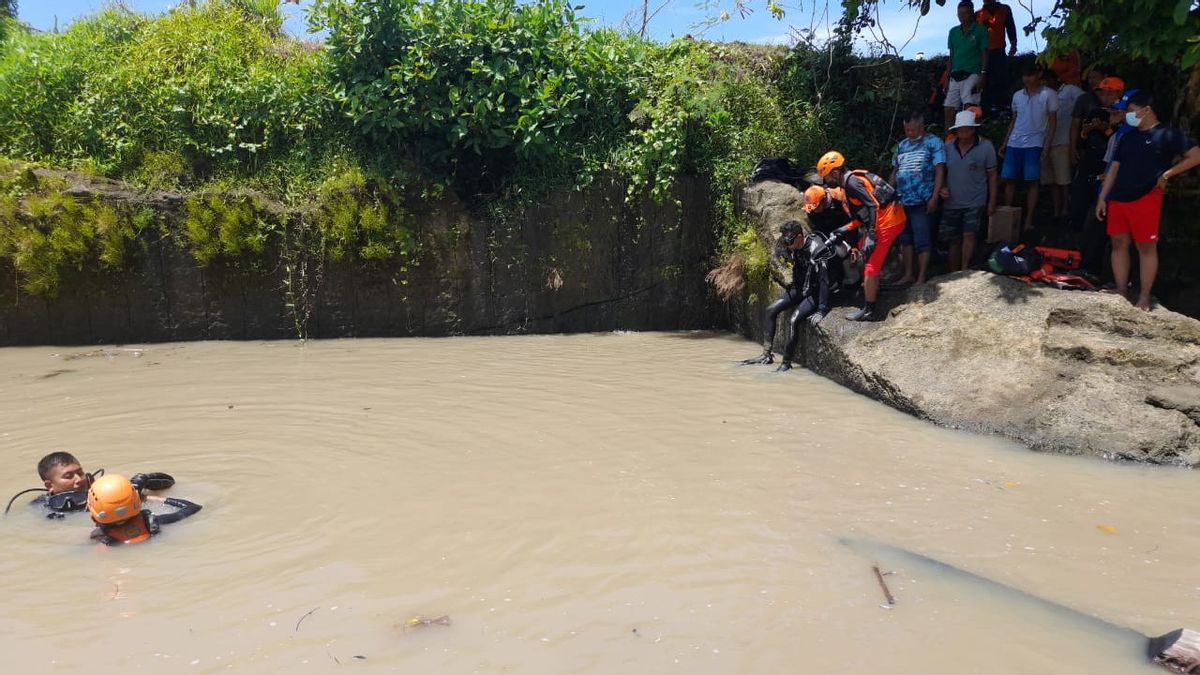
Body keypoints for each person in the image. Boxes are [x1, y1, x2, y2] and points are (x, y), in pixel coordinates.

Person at [1096, 91, 1200, 311]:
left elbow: (1196, 155)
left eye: (1131, 111)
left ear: (1147, 110)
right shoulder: (1126, 137)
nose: (1127, 116)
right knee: (1118, 244)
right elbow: (1114, 168)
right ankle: (1122, 289)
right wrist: (1102, 197)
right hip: (1118, 197)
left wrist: (1167, 174)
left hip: (1146, 197)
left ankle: (1144, 297)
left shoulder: (1167, 134)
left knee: (1146, 247)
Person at [740, 216, 852, 371]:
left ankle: (786, 363)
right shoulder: (791, 245)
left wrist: (822, 308)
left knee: (793, 321)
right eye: (786, 241)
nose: (788, 245)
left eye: (790, 241)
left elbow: (824, 281)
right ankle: (766, 355)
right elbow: (786, 257)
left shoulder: (817, 249)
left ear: (800, 236)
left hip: (816, 290)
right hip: (801, 287)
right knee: (771, 310)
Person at [818, 151, 907, 322]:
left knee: (870, 267)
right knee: (862, 248)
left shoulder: (851, 183)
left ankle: (870, 310)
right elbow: (864, 215)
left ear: (836, 173)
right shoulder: (852, 180)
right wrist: (844, 229)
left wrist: (872, 236)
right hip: (889, 219)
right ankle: (874, 288)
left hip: (889, 222)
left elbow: (873, 206)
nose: (826, 182)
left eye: (827, 177)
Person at [1000, 62, 1057, 232]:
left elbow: (1053, 122)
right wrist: (1005, 142)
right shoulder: (1018, 95)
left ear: (1039, 75)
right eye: (1025, 75)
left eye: (1031, 75)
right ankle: (1006, 217)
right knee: (1009, 180)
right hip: (1015, 142)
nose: (1027, 79)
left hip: (1035, 142)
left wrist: (1047, 147)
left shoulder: (1049, 94)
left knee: (1032, 182)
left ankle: (1029, 220)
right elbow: (1014, 119)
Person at [892, 111, 946, 285]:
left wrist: (935, 197)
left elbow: (939, 171)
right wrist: (887, 192)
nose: (910, 133)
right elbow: (895, 171)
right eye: (907, 130)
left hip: (922, 201)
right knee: (905, 239)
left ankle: (921, 276)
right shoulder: (902, 145)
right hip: (902, 201)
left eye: (913, 130)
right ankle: (909, 274)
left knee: (923, 239)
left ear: (921, 127)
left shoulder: (934, 142)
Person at [940, 110, 998, 271]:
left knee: (969, 234)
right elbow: (940, 171)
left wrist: (992, 201)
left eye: (967, 129)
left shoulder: (986, 147)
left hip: (975, 199)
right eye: (960, 130)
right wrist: (942, 187)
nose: (964, 133)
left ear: (973, 129)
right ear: (956, 131)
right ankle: (954, 271)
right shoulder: (947, 147)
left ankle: (964, 269)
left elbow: (992, 175)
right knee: (953, 239)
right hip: (951, 200)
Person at [88, 474, 201, 546]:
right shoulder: (153, 523)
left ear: (94, 516)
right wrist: (157, 499)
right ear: (138, 502)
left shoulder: (98, 538)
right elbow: (193, 507)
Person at [1042, 70, 1084, 222]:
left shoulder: (1070, 90)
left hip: (1063, 140)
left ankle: (1066, 208)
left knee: (1064, 179)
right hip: (1046, 141)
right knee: (1052, 180)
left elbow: (1084, 103)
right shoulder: (1043, 95)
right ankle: (1056, 210)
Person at [944, 1, 991, 130]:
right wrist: (947, 78)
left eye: (965, 13)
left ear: (971, 13)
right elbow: (951, 55)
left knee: (970, 109)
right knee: (949, 109)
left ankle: (973, 140)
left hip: (973, 73)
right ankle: (949, 141)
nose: (961, 16)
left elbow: (985, 53)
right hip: (955, 75)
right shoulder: (953, 32)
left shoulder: (981, 30)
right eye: (959, 14)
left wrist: (983, 74)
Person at [975, 0, 1018, 112]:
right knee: (985, 81)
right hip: (983, 53)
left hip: (999, 50)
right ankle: (986, 111)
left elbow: (1010, 27)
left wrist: (1013, 44)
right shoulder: (978, 14)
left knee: (1000, 79)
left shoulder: (1004, 9)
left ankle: (1002, 108)